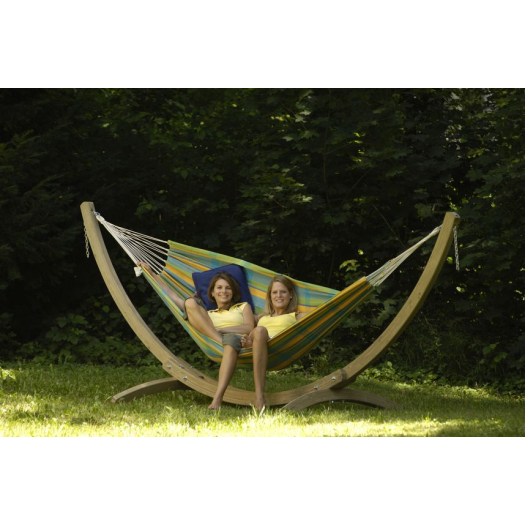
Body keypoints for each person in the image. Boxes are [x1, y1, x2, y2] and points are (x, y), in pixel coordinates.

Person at [136, 263, 255, 409]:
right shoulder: (207, 314)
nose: (223, 291)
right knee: (190, 302)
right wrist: (151, 274)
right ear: (212, 293)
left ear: (233, 292)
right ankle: (220, 340)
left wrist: (222, 330)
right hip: (216, 341)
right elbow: (173, 297)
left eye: (228, 288)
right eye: (219, 288)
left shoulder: (243, 306)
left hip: (236, 340)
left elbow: (249, 327)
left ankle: (217, 399)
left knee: (229, 340)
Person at [241, 275, 306, 411]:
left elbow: (320, 317)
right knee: (259, 331)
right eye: (275, 292)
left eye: (283, 292)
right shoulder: (261, 317)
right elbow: (235, 315)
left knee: (260, 330)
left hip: (278, 347)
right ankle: (259, 395)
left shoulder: (296, 316)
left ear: (290, 295)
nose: (279, 296)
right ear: (270, 297)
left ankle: (259, 396)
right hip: (259, 344)